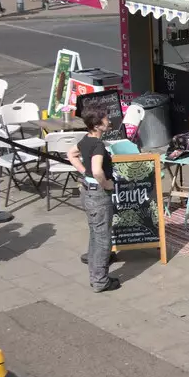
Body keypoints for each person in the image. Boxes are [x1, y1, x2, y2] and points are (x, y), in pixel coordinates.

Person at [67, 109, 121, 292]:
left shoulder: (85, 139)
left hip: (87, 192)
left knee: (95, 233)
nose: (108, 121)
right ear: (97, 125)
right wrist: (106, 184)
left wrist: (84, 172)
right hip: (98, 194)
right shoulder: (98, 144)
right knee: (102, 239)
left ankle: (95, 274)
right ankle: (100, 280)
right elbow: (97, 170)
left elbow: (71, 154)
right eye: (105, 119)